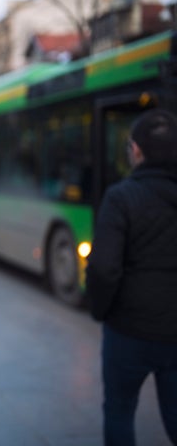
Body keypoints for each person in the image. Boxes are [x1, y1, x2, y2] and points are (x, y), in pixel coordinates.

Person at [86, 108, 177, 446]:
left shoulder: (121, 197)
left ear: (136, 151)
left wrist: (100, 310)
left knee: (120, 412)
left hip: (129, 331)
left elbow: (103, 268)